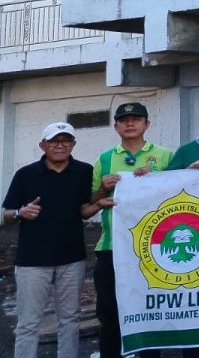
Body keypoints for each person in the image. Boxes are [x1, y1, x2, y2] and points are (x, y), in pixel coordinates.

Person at [4, 123, 109, 358]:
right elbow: (7, 214)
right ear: (43, 145)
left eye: (66, 140)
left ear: (73, 144)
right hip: (32, 261)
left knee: (70, 320)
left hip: (71, 258)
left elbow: (84, 209)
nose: (60, 145)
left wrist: (99, 201)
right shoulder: (26, 174)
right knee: (29, 323)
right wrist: (21, 213)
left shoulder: (84, 171)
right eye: (54, 141)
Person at [91, 102, 173, 358]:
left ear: (147, 124)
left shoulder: (163, 155)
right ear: (115, 126)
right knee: (110, 312)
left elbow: (178, 192)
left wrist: (156, 178)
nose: (130, 123)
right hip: (112, 247)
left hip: (153, 247)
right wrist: (103, 188)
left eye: (136, 119)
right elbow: (90, 202)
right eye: (124, 120)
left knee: (150, 309)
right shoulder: (104, 158)